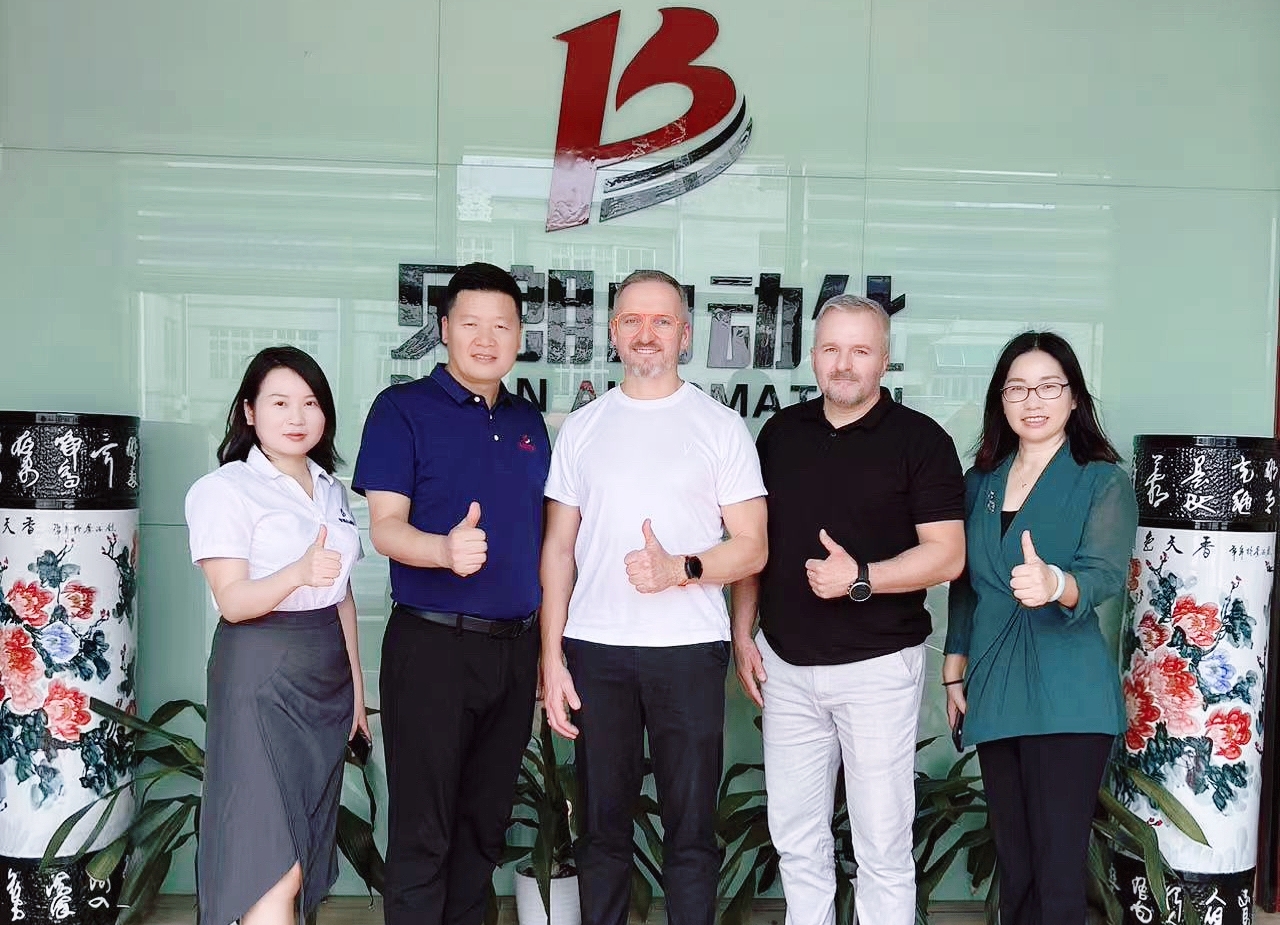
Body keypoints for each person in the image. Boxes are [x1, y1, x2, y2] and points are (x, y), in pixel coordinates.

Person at [541, 269, 768, 925]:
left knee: (690, 832)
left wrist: (680, 569)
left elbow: (753, 546)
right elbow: (558, 549)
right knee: (601, 831)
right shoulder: (582, 427)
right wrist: (551, 656)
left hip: (688, 651)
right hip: (596, 649)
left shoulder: (719, 426)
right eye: (633, 320)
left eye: (662, 321)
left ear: (684, 334)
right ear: (613, 332)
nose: (647, 333)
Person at [731, 294, 965, 925]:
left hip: (878, 668)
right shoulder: (780, 434)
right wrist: (742, 633)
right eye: (831, 348)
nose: (843, 364)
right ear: (813, 356)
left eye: (860, 350)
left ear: (884, 360)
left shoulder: (922, 441)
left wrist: (860, 578)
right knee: (795, 836)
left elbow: (947, 556)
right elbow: (754, 546)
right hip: (786, 666)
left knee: (882, 843)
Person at [353, 262, 550, 925]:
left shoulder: (528, 421)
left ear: (519, 335)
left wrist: (547, 650)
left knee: (482, 831)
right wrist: (443, 550)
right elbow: (385, 527)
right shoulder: (401, 409)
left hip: (514, 650)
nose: (486, 339)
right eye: (471, 324)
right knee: (424, 832)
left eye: (502, 326)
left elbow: (544, 538)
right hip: (433, 646)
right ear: (444, 329)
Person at [943, 331, 1136, 925]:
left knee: (1057, 870)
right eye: (1018, 388)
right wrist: (953, 668)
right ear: (1000, 400)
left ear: (1074, 397)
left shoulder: (1101, 480)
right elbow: (965, 583)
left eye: (1049, 386)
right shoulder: (980, 483)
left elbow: (1105, 575)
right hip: (994, 684)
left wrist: (1055, 584)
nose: (1034, 401)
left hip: (1067, 691)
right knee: (1017, 863)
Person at [185, 345, 368, 925]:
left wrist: (357, 692)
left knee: (304, 845)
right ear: (249, 411)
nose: (297, 417)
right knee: (272, 862)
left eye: (310, 403)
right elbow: (232, 601)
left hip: (325, 673)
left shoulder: (332, 489)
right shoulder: (224, 489)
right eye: (280, 403)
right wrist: (296, 573)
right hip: (259, 675)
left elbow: (341, 594)